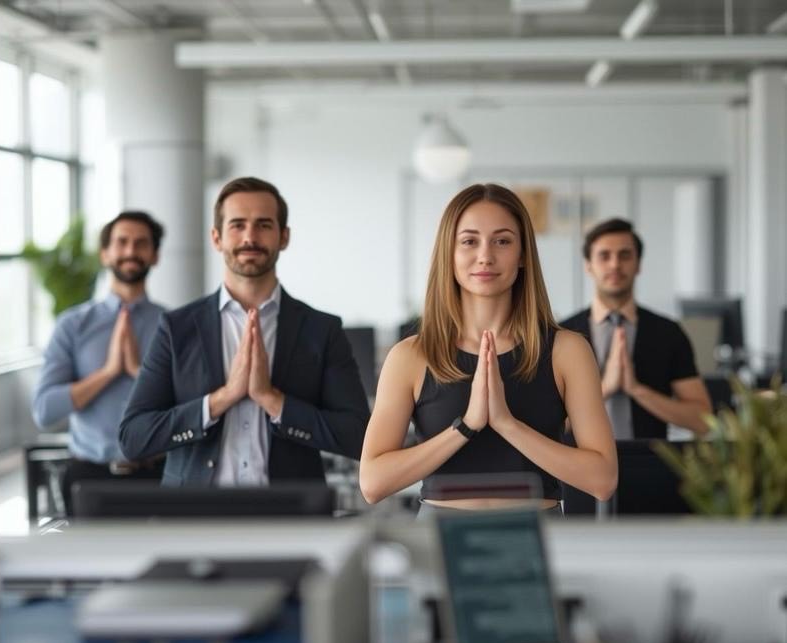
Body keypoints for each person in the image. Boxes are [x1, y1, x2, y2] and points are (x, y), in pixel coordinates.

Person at [359, 183, 617, 513]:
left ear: (523, 254)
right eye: (469, 241)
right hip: (441, 536)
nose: (485, 255)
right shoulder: (410, 356)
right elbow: (372, 483)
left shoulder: (568, 351)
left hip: (538, 533)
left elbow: (603, 479)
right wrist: (466, 426)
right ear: (449, 254)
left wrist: (507, 423)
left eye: (502, 241)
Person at [119, 176, 369, 487]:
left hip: (292, 518)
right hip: (194, 520)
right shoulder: (177, 328)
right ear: (216, 238)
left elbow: (358, 436)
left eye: (264, 225)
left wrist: (272, 399)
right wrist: (221, 399)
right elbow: (133, 437)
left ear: (284, 237)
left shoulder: (322, 330)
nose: (250, 236)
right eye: (237, 225)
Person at [32, 211, 166, 514]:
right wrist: (108, 372)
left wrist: (137, 371)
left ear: (155, 255)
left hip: (159, 477)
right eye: (122, 242)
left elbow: (191, 405)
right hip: (89, 478)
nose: (130, 251)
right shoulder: (73, 325)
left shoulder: (175, 325)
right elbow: (44, 410)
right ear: (105, 254)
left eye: (141, 243)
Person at [560, 218, 712, 439]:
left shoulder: (668, 333)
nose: (614, 264)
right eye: (604, 256)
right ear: (588, 265)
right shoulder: (562, 334)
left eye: (625, 255)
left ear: (639, 264)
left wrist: (636, 390)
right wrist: (606, 388)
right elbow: (545, 426)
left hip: (651, 466)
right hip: (578, 468)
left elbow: (703, 422)